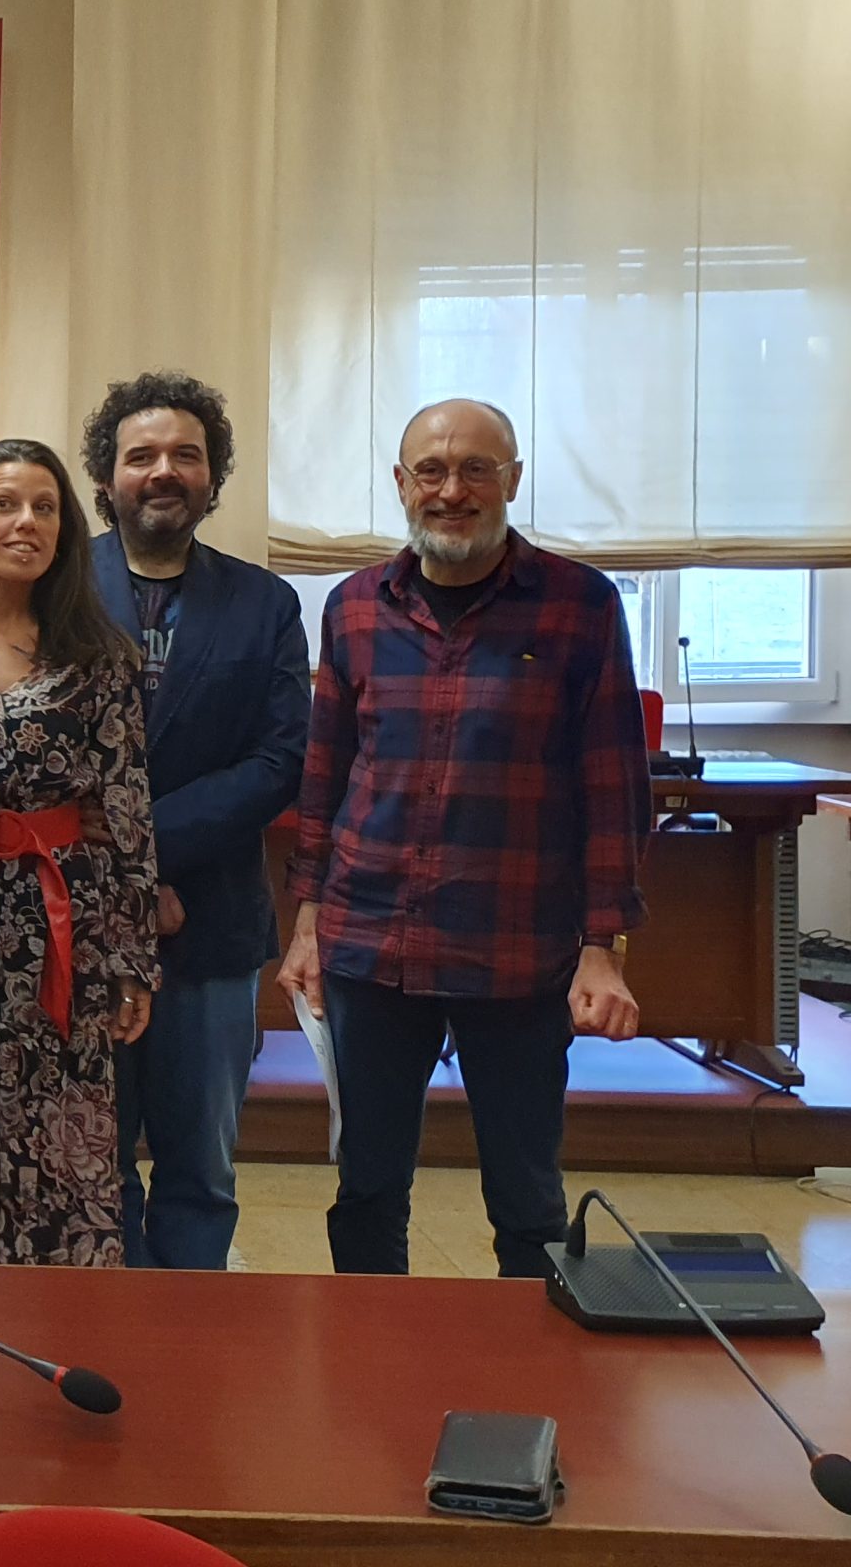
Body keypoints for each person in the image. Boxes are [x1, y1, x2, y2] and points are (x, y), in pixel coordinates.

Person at [280, 398, 646, 1279]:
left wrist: (603, 948)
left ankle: (531, 1351)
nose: (453, 491)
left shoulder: (580, 605)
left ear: (512, 481)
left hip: (517, 949)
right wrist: (307, 923)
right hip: (372, 943)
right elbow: (325, 773)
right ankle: (373, 1349)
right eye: (432, 471)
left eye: (477, 469)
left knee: (527, 1200)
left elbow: (612, 785)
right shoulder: (354, 606)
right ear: (402, 484)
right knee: (367, 1188)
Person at [79, 372, 310, 1270]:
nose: (163, 471)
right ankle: (106, 1330)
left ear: (214, 477)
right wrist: (131, 875)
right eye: (141, 456)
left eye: (186, 455)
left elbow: (277, 762)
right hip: (79, 927)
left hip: (210, 928)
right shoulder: (55, 585)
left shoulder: (265, 603)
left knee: (201, 1172)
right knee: (91, 1164)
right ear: (107, 477)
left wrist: (148, 855)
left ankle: (189, 1335)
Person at [0, 439, 160, 1267]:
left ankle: (60, 1316)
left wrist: (131, 960)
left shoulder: (101, 657)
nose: (27, 522)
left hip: (64, 929)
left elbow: (127, 814)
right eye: (6, 504)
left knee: (62, 1141)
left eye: (46, 508)